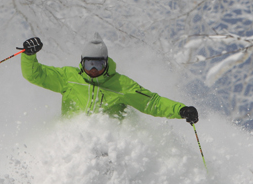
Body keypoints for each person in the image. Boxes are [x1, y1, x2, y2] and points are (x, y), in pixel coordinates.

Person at [19, 33, 199, 124]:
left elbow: (152, 103)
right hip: (72, 139)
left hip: (109, 143)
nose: (94, 70)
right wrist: (28, 55)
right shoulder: (68, 78)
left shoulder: (121, 85)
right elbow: (35, 75)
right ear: (82, 63)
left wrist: (181, 110)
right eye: (90, 64)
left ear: (106, 63)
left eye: (99, 65)